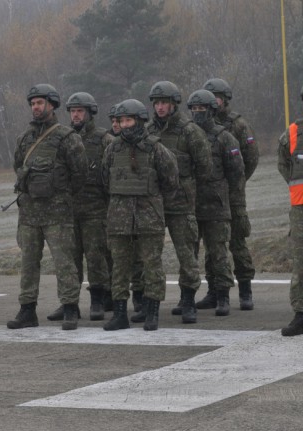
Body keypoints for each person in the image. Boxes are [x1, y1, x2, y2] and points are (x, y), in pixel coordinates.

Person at [6, 84, 86, 331]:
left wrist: (60, 195)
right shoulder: (24, 138)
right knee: (29, 263)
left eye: (40, 103)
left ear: (52, 105)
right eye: (32, 104)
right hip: (29, 212)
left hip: (57, 212)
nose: (36, 107)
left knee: (64, 262)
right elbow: (18, 167)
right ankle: (27, 309)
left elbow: (79, 173)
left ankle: (70, 307)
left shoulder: (67, 137)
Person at [102, 99, 179, 331]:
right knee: (120, 267)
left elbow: (171, 182)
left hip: (149, 217)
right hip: (119, 218)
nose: (124, 125)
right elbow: (105, 181)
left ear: (139, 121)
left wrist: (153, 203)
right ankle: (119, 314)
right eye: (121, 121)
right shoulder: (112, 149)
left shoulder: (157, 149)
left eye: (129, 120)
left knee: (152, 265)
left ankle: (152, 312)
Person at [145, 81, 212, 324]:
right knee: (149, 254)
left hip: (182, 204)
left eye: (164, 103)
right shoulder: (148, 130)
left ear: (173, 104)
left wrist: (187, 188)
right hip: (153, 203)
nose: (160, 107)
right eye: (157, 103)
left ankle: (188, 300)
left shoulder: (190, 131)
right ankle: (148, 301)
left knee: (187, 255)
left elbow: (205, 167)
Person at [186, 90, 245, 317]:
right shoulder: (187, 135)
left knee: (218, 252)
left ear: (211, 110)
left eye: (202, 109)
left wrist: (226, 196)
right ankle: (198, 295)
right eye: (194, 109)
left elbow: (237, 171)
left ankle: (222, 296)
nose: (198, 113)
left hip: (216, 204)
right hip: (190, 204)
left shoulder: (225, 137)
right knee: (189, 254)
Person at [203, 77, 260, 311]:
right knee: (212, 244)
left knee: (237, 241)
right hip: (211, 196)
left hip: (233, 195)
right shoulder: (201, 126)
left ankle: (245, 290)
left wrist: (236, 182)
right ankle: (214, 290)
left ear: (225, 100)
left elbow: (251, 158)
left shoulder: (238, 125)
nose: (212, 103)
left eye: (216, 98)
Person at [60, 91, 113, 321]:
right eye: (72, 111)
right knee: (70, 259)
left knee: (96, 257)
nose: (76, 115)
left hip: (95, 209)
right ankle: (69, 303)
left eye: (80, 111)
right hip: (69, 210)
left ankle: (98, 300)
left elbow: (113, 174)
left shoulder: (104, 139)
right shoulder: (63, 138)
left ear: (90, 113)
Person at [278, 84, 303, 337]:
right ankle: (301, 313)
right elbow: (283, 164)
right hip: (301, 208)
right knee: (301, 262)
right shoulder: (293, 133)